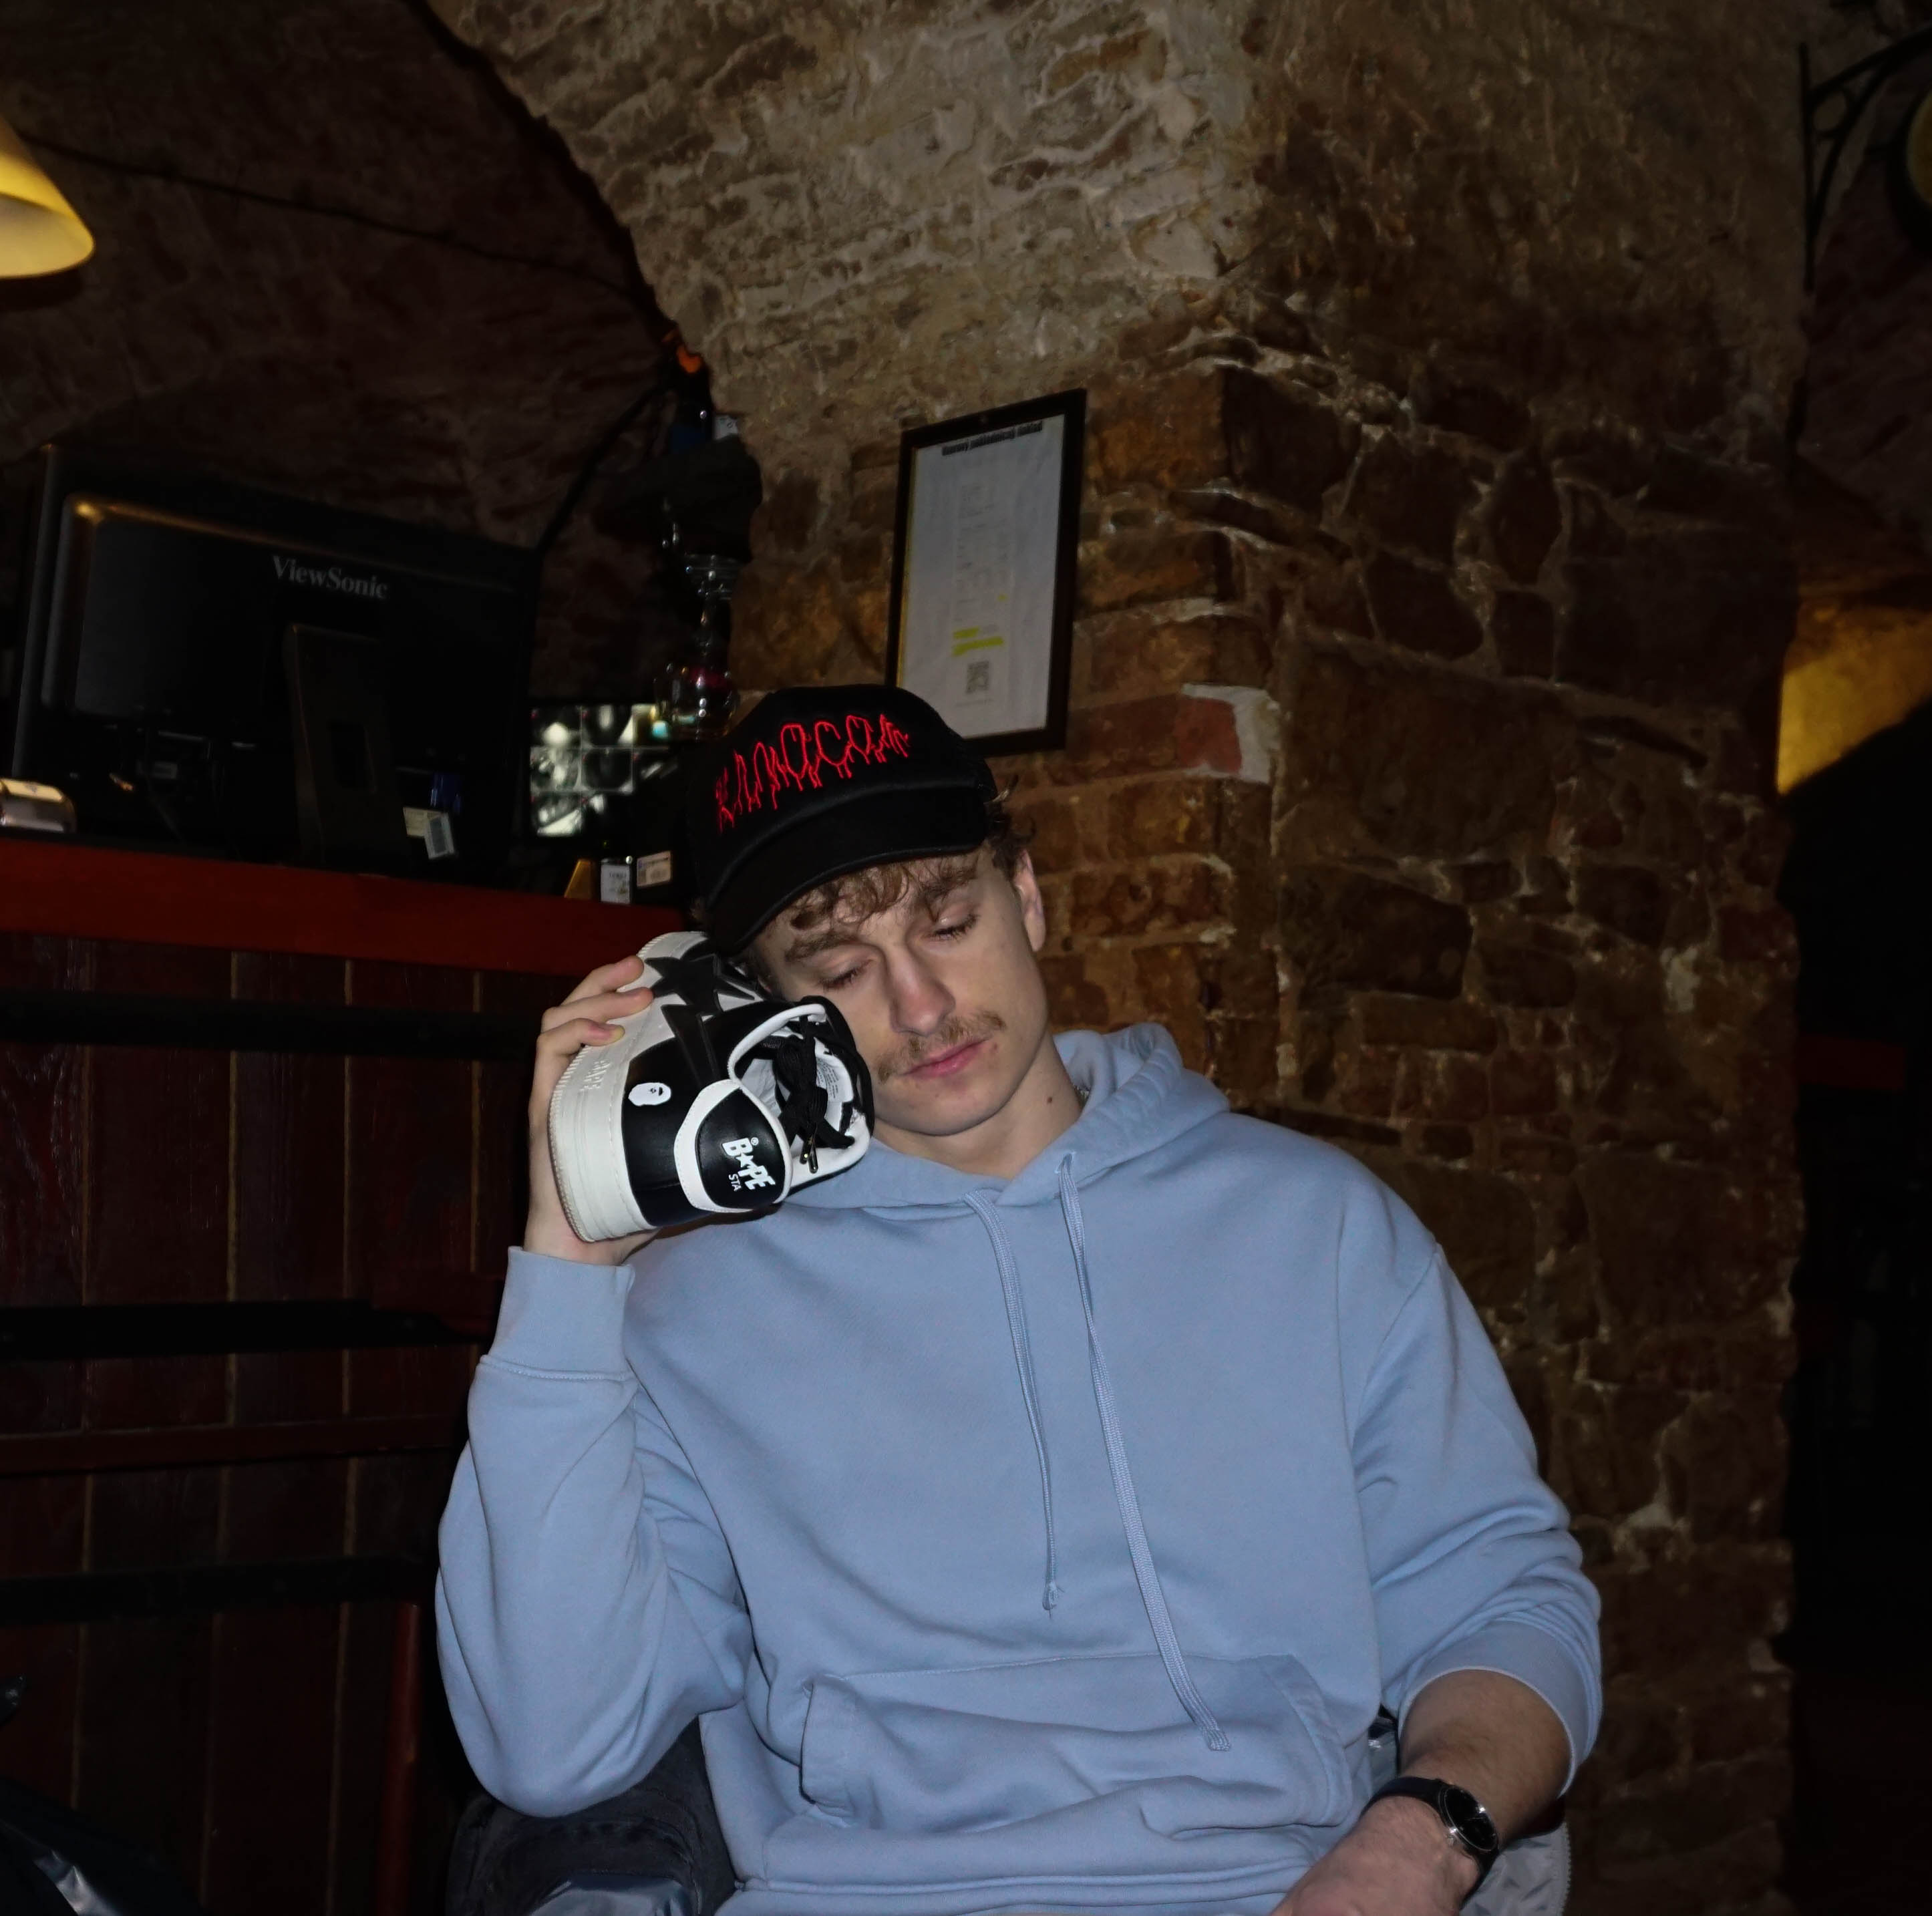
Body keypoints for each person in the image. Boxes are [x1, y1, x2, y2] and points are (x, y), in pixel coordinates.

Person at [437, 685, 1600, 1916]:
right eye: (843, 970)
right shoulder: (689, 1312)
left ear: (1027, 895)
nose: (921, 1006)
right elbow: (552, 1750)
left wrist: (1419, 1843)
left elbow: (1505, 1602)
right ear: (764, 1007)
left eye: (948, 922)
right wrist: (567, 1270)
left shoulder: (1320, 1228)